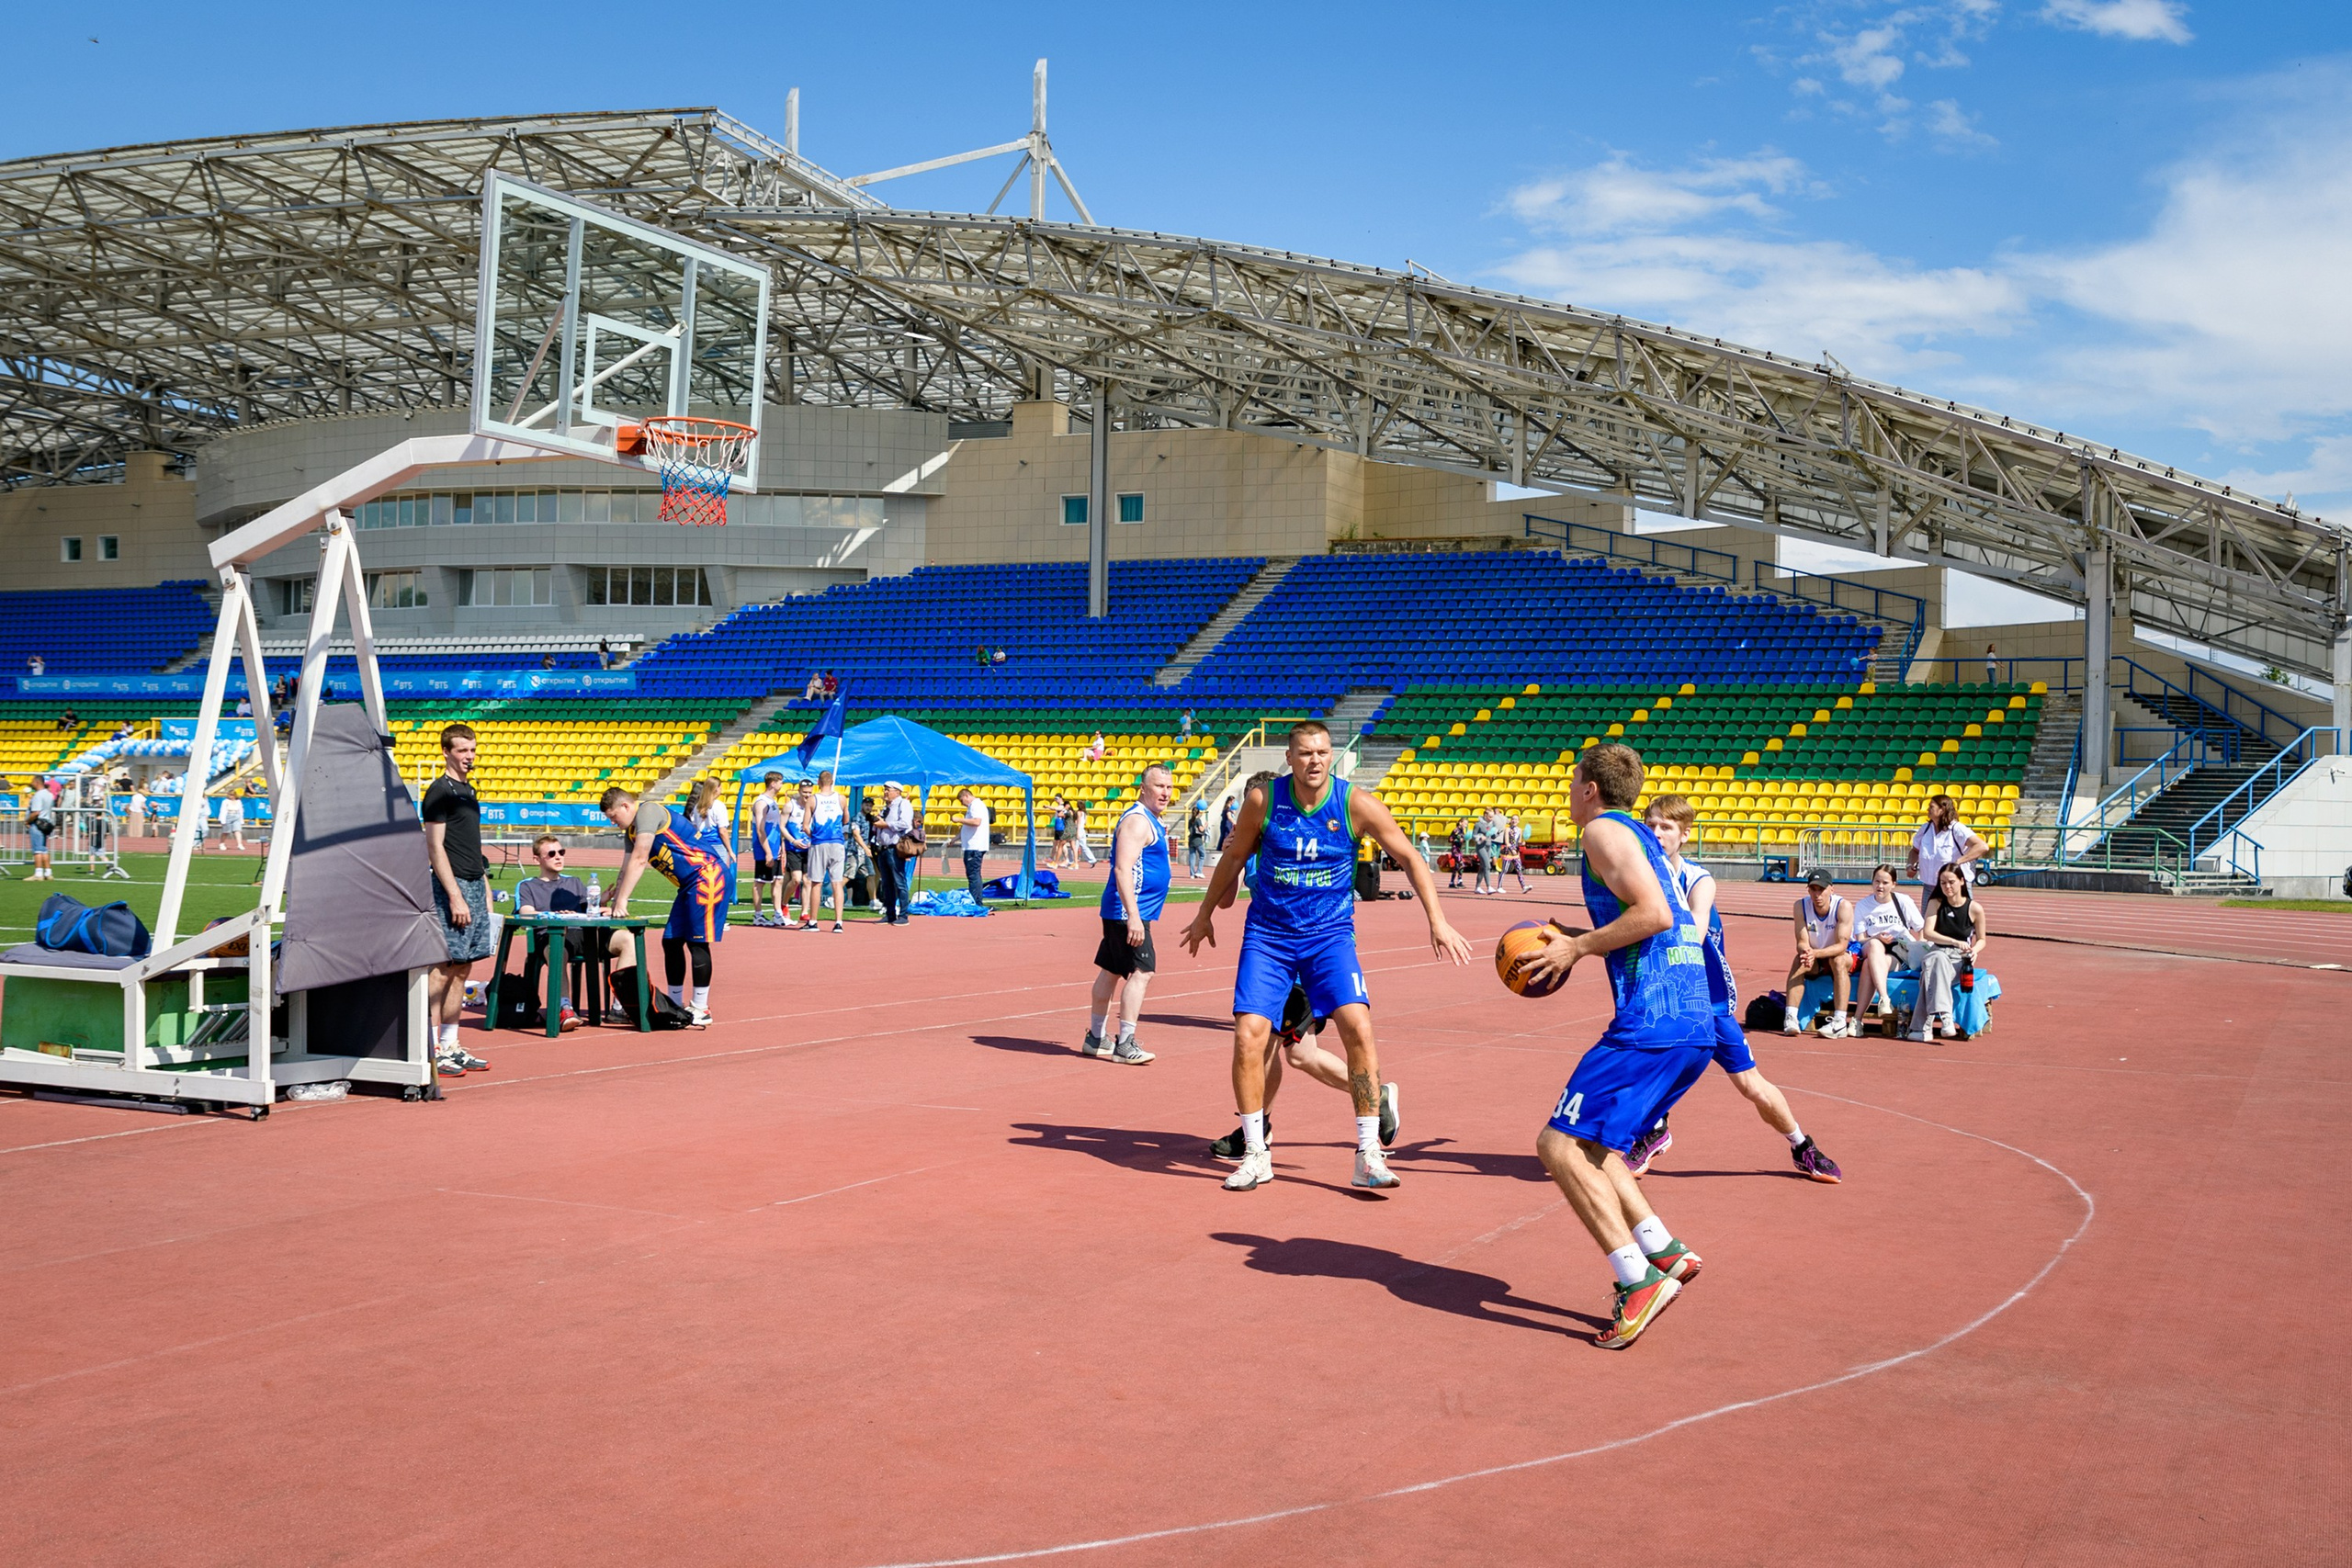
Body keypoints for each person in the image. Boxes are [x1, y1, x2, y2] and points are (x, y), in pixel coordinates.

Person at [1182, 720, 1471, 1192]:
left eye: (1322, 752)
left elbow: (1413, 858)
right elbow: (1234, 859)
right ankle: (1256, 1153)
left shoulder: (1355, 803)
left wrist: (1436, 920)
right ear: (1290, 758)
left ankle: (1368, 1153)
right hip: (1269, 937)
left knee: (1357, 1026)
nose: (1314, 760)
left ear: (1330, 755)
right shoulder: (1264, 801)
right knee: (1249, 1037)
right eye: (1304, 753)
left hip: (1329, 937)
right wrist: (1204, 915)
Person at [1510, 743, 1717, 1350]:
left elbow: (1652, 914)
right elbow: (1652, 918)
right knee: (1598, 1144)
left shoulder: (1601, 831)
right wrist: (1578, 935)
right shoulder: (1639, 837)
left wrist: (1577, 948)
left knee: (1556, 1144)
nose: (1569, 792)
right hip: (1690, 1019)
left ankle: (1638, 1278)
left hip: (1653, 1020)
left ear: (1591, 789)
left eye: (1572, 781)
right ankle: (1665, 1250)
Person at [1624, 795, 1842, 1183]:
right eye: (1651, 825)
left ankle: (1801, 1146)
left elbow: (1694, 926)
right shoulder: (1639, 877)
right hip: (1665, 995)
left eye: (1666, 827)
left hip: (1705, 998)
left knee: (1751, 1085)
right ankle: (1654, 1131)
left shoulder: (1697, 878)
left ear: (1685, 835)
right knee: (1644, 1065)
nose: (1656, 834)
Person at [600, 784, 726, 1027]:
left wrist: (624, 901)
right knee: (670, 941)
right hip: (688, 883)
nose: (613, 823)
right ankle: (675, 1004)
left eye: (614, 817)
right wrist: (614, 903)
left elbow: (640, 858)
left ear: (626, 806)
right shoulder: (631, 833)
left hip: (707, 875)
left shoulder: (648, 812)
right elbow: (625, 868)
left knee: (697, 942)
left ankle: (701, 1007)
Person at [1082, 764, 1175, 1066]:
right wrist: (1133, 916)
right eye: (1159, 786)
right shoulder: (1137, 821)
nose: (1165, 793)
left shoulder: (1150, 820)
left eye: (1169, 787)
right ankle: (1125, 1042)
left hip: (1124, 911)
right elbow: (1122, 868)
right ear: (1144, 788)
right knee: (1142, 972)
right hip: (1127, 911)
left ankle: (1096, 1038)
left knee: (1110, 971)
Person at [421, 724, 493, 1077]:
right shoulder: (439, 792)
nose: (470, 757)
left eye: (473, 750)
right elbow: (435, 848)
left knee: (464, 968)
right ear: (447, 751)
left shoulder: (468, 790)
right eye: (463, 751)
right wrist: (455, 897)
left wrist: (484, 892)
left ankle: (450, 1044)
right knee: (443, 968)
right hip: (452, 888)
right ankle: (429, 1046)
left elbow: (472, 848)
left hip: (474, 885)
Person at [511, 834, 586, 1032]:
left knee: (626, 940)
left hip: (582, 934)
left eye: (561, 852)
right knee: (557, 951)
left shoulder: (575, 882)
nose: (558, 857)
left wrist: (604, 903)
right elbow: (525, 913)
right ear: (537, 859)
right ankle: (564, 1008)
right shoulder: (527, 885)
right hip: (550, 935)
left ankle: (621, 1007)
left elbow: (590, 910)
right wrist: (555, 916)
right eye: (551, 854)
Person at [1907, 863, 1988, 1040]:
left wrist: (1974, 951)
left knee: (1929, 975)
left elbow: (1982, 939)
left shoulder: (1975, 908)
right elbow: (1928, 932)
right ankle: (1946, 1017)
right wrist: (1954, 941)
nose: (1947, 887)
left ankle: (1921, 1027)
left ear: (1961, 881)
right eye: (1943, 883)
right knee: (1936, 958)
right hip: (1937, 951)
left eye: (1951, 882)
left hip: (1959, 959)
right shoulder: (1935, 903)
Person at [1785, 870, 1857, 1038]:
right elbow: (1801, 941)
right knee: (1799, 960)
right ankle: (1791, 1017)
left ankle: (1840, 1021)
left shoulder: (1843, 906)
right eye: (1813, 889)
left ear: (1831, 889)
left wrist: (1815, 953)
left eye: (1821, 889)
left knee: (1838, 961)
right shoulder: (1800, 906)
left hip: (1842, 953)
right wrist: (1806, 952)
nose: (1817, 894)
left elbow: (1841, 945)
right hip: (1816, 956)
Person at [1849, 863, 1925, 1021]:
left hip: (1897, 951)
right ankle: (1884, 998)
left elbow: (1921, 928)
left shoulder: (1903, 901)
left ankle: (1857, 1020)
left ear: (1894, 884)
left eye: (1885, 883)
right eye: (1877, 882)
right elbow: (1861, 939)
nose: (1880, 886)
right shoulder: (1863, 905)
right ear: (1872, 882)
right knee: (1875, 946)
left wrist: (1920, 946)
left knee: (1868, 965)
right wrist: (1876, 938)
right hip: (1870, 945)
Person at [685, 778, 739, 948]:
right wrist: (730, 850)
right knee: (722, 884)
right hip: (717, 846)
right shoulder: (719, 806)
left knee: (705, 884)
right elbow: (722, 831)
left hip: (703, 847)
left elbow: (694, 828)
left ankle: (703, 917)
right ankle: (718, 919)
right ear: (715, 789)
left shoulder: (697, 806)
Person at [1907, 793, 1985, 894]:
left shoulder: (1956, 829)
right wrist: (1910, 865)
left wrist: (1958, 862)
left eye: (1931, 807)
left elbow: (1981, 846)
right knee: (1929, 910)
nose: (1927, 809)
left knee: (1958, 910)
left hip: (1954, 887)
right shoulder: (1925, 829)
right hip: (1930, 886)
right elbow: (1914, 851)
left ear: (1942, 809)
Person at [802, 770, 850, 932]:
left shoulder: (812, 800)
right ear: (832, 782)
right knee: (837, 883)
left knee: (816, 882)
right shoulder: (841, 798)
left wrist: (813, 835)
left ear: (818, 782)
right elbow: (846, 819)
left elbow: (805, 826)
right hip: (837, 843)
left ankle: (814, 921)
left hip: (819, 843)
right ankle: (838, 922)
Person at [750, 773, 791, 927]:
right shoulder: (761, 802)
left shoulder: (772, 801)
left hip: (775, 847)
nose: (781, 786)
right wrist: (767, 852)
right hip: (764, 848)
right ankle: (758, 915)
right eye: (780, 782)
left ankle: (778, 914)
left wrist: (780, 845)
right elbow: (761, 830)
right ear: (773, 783)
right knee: (760, 882)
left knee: (778, 880)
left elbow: (775, 827)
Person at [871, 780, 914, 924]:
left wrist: (886, 824)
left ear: (897, 791)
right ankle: (890, 913)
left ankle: (903, 915)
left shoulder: (904, 805)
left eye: (888, 790)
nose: (885, 792)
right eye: (885, 789)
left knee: (899, 882)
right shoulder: (886, 808)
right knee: (887, 884)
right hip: (883, 848)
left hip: (895, 848)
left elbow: (905, 824)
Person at [956, 787, 991, 902]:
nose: (963, 804)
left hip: (974, 846)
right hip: (972, 845)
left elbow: (976, 822)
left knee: (973, 875)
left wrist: (959, 819)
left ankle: (975, 900)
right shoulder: (974, 806)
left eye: (962, 801)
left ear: (966, 796)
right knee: (974, 874)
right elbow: (967, 827)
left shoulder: (976, 806)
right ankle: (976, 899)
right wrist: (955, 839)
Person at [25, 775, 56, 881]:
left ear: (37, 782)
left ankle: (38, 873)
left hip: (37, 824)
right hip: (46, 824)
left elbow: (36, 812)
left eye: (33, 781)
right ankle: (48, 872)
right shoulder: (49, 794)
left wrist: (27, 821)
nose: (31, 783)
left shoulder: (38, 795)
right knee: (44, 849)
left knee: (37, 850)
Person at [1069, 799, 1098, 866]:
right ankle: (1092, 859)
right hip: (1082, 830)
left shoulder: (1079, 813)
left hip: (1078, 829)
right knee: (1084, 846)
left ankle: (1072, 861)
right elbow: (1084, 823)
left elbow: (1078, 823)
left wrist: (1077, 832)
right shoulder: (1085, 813)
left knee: (1074, 847)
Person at [1185, 798, 1208, 879]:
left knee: (1192, 856)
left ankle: (1192, 873)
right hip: (1198, 840)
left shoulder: (1190, 820)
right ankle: (1199, 871)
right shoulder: (1198, 820)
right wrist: (1205, 826)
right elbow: (1201, 829)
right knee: (1202, 855)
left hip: (1191, 840)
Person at [218, 788, 246, 852]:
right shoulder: (225, 801)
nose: (231, 796)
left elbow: (241, 811)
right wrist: (222, 820)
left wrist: (241, 820)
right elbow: (223, 810)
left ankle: (239, 844)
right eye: (230, 795)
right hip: (228, 816)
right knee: (226, 831)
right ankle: (222, 843)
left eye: (232, 795)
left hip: (236, 816)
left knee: (237, 830)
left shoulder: (238, 802)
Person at [1049, 795, 1073, 870]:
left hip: (1062, 827)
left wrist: (1048, 807)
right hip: (1059, 826)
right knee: (1058, 844)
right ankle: (1053, 859)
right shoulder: (1063, 808)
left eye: (1057, 798)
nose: (1055, 800)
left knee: (1062, 844)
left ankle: (1066, 860)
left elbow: (1059, 813)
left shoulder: (1063, 808)